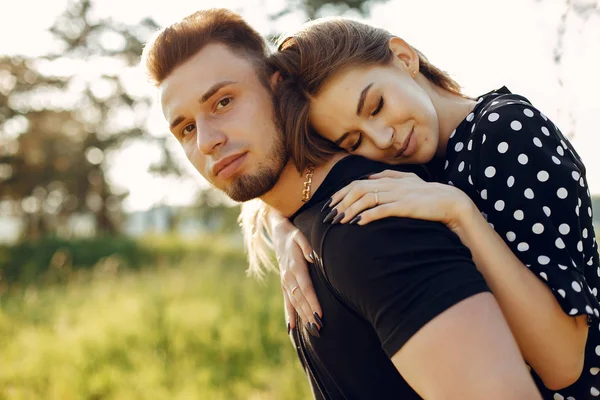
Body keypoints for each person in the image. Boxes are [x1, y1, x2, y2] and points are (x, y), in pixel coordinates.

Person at [142, 8, 541, 399]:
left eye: (223, 102)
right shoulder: (305, 214)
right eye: (187, 128)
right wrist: (281, 223)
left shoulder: (370, 221)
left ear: (278, 85)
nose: (207, 140)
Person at [259, 16, 600, 399]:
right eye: (354, 141)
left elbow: (564, 363)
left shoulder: (506, 131)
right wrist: (281, 226)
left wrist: (461, 214)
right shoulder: (410, 165)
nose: (383, 138)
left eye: (376, 106)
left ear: (403, 58)